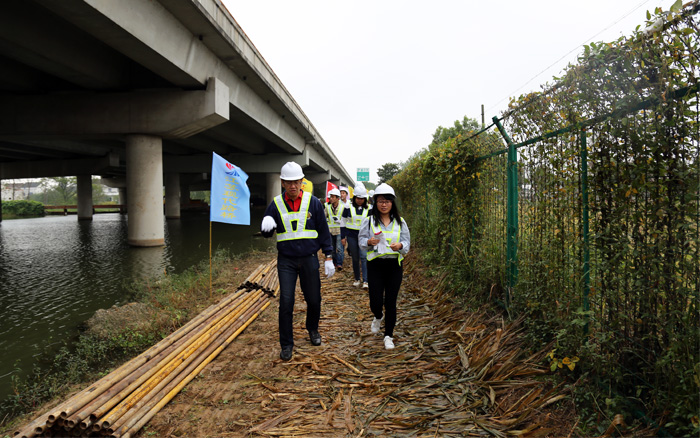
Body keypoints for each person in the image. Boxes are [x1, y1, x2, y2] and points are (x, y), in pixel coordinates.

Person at [260, 162, 335, 361]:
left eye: (296, 182)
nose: (293, 186)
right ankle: (286, 344)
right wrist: (266, 229)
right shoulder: (275, 204)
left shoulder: (314, 203)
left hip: (309, 258)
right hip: (286, 260)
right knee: (286, 301)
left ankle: (313, 329)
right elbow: (268, 232)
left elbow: (323, 230)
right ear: (282, 183)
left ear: (302, 182)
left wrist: (328, 256)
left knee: (314, 299)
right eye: (289, 182)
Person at [359, 183, 410, 350]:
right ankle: (378, 316)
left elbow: (407, 243)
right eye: (381, 201)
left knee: (391, 301)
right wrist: (368, 241)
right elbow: (361, 242)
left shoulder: (400, 222)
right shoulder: (369, 221)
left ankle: (388, 335)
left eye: (387, 201)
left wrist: (400, 246)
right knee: (375, 301)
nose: (384, 204)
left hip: (394, 266)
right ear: (376, 202)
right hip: (375, 265)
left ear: (392, 203)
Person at [341, 184, 369, 288]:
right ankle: (357, 278)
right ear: (354, 198)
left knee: (364, 257)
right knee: (355, 258)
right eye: (358, 198)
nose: (360, 200)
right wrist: (343, 237)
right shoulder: (348, 207)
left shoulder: (369, 209)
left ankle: (366, 280)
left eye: (362, 198)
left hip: (364, 237)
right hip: (351, 236)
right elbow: (343, 222)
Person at [324, 187, 345, 271]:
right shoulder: (327, 207)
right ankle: (334, 262)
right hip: (330, 230)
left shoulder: (343, 207)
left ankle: (339, 264)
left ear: (337, 198)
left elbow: (345, 219)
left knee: (339, 248)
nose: (331, 199)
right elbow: (323, 217)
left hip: (339, 230)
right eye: (330, 197)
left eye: (333, 197)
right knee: (332, 248)